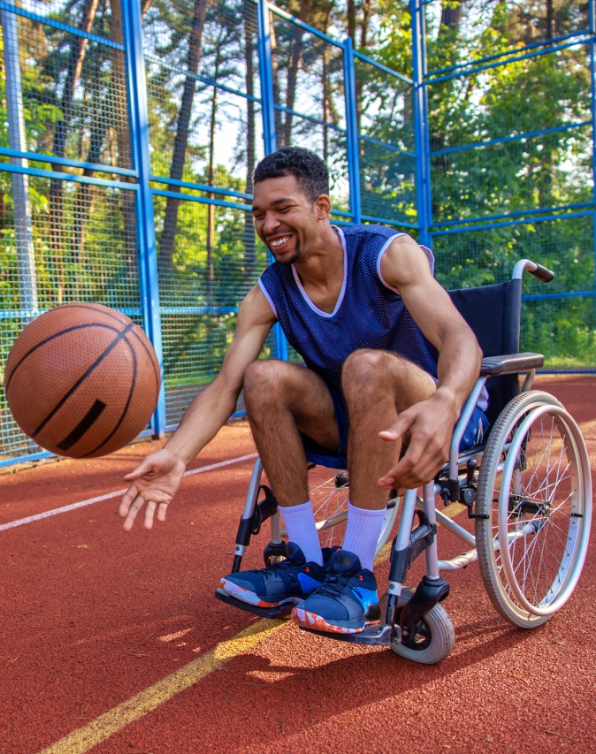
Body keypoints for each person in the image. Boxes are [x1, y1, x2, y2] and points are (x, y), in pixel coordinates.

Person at [118, 147, 484, 635]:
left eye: (283, 208)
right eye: (258, 214)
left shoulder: (385, 255)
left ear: (322, 208)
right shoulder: (270, 290)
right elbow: (226, 385)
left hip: (435, 408)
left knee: (365, 365)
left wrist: (447, 400)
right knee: (261, 377)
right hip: (354, 418)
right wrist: (177, 455)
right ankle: (306, 564)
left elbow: (461, 338)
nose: (268, 224)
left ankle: (354, 573)